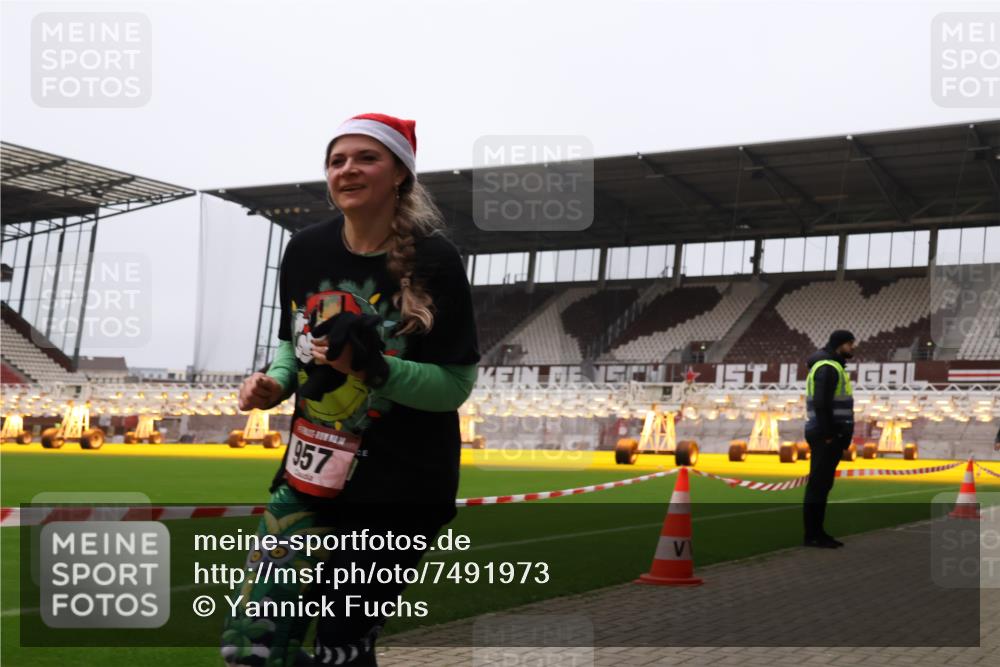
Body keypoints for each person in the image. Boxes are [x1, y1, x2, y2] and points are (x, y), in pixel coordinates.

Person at [222, 113, 480, 666]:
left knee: (341, 646)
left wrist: (374, 370)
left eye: (367, 158)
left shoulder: (437, 261)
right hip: (308, 475)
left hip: (401, 488)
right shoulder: (306, 249)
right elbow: (295, 341)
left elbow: (455, 386)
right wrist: (276, 382)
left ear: (400, 175)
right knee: (251, 645)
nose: (348, 169)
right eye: (337, 160)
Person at [802, 329, 856, 549]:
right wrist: (829, 434)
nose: (853, 348)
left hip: (829, 434)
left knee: (822, 486)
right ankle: (813, 535)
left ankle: (818, 532)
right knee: (818, 486)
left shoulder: (831, 366)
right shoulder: (828, 367)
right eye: (850, 344)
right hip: (825, 435)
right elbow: (821, 403)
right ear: (839, 345)